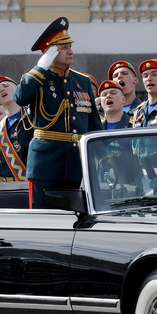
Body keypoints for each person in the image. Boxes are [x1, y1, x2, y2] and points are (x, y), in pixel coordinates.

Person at [13, 17, 102, 208]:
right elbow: (20, 97)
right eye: (63, 47)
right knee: (41, 219)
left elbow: (94, 124)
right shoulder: (37, 78)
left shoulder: (82, 81)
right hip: (45, 164)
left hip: (76, 165)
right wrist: (40, 68)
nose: (70, 51)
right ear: (49, 52)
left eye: (70, 45)